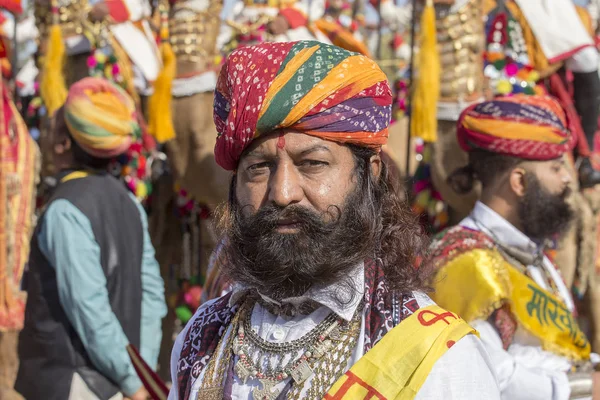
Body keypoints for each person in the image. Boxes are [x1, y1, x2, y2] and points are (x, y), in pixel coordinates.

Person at [168, 40, 500, 400]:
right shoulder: (202, 337)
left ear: (369, 174)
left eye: (312, 164)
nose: (282, 193)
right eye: (259, 168)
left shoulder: (434, 356)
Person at [429, 95, 597, 400]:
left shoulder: (531, 252)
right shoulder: (465, 259)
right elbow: (485, 370)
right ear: (520, 182)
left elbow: (552, 353)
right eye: (557, 168)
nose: (567, 181)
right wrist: (582, 388)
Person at [15, 77, 167, 400]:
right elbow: (153, 296)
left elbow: (89, 308)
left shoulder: (64, 210)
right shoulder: (131, 204)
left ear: (62, 144)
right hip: (117, 385)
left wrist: (134, 382)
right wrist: (143, 372)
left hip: (73, 383)